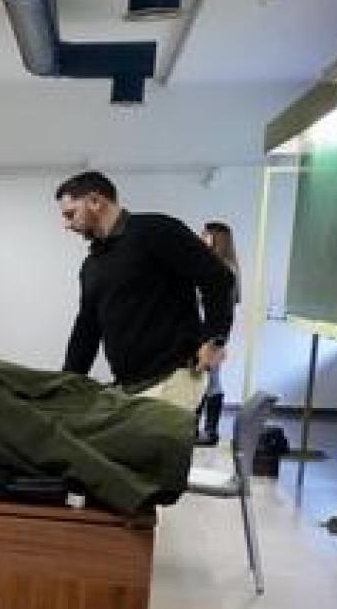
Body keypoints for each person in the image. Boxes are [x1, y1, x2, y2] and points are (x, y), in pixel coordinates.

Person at [56, 171, 234, 410]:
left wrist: (215, 338)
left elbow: (218, 277)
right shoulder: (92, 265)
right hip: (130, 387)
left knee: (162, 448)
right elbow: (87, 328)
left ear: (95, 201)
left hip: (173, 378)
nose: (67, 225)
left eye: (70, 214)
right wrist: (67, 384)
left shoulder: (155, 231)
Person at [197, 221, 241, 445]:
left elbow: (224, 310)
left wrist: (216, 340)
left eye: (206, 236)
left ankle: (209, 431)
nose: (201, 238)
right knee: (208, 379)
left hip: (212, 333)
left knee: (209, 380)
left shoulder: (224, 270)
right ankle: (202, 430)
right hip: (209, 331)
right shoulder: (217, 266)